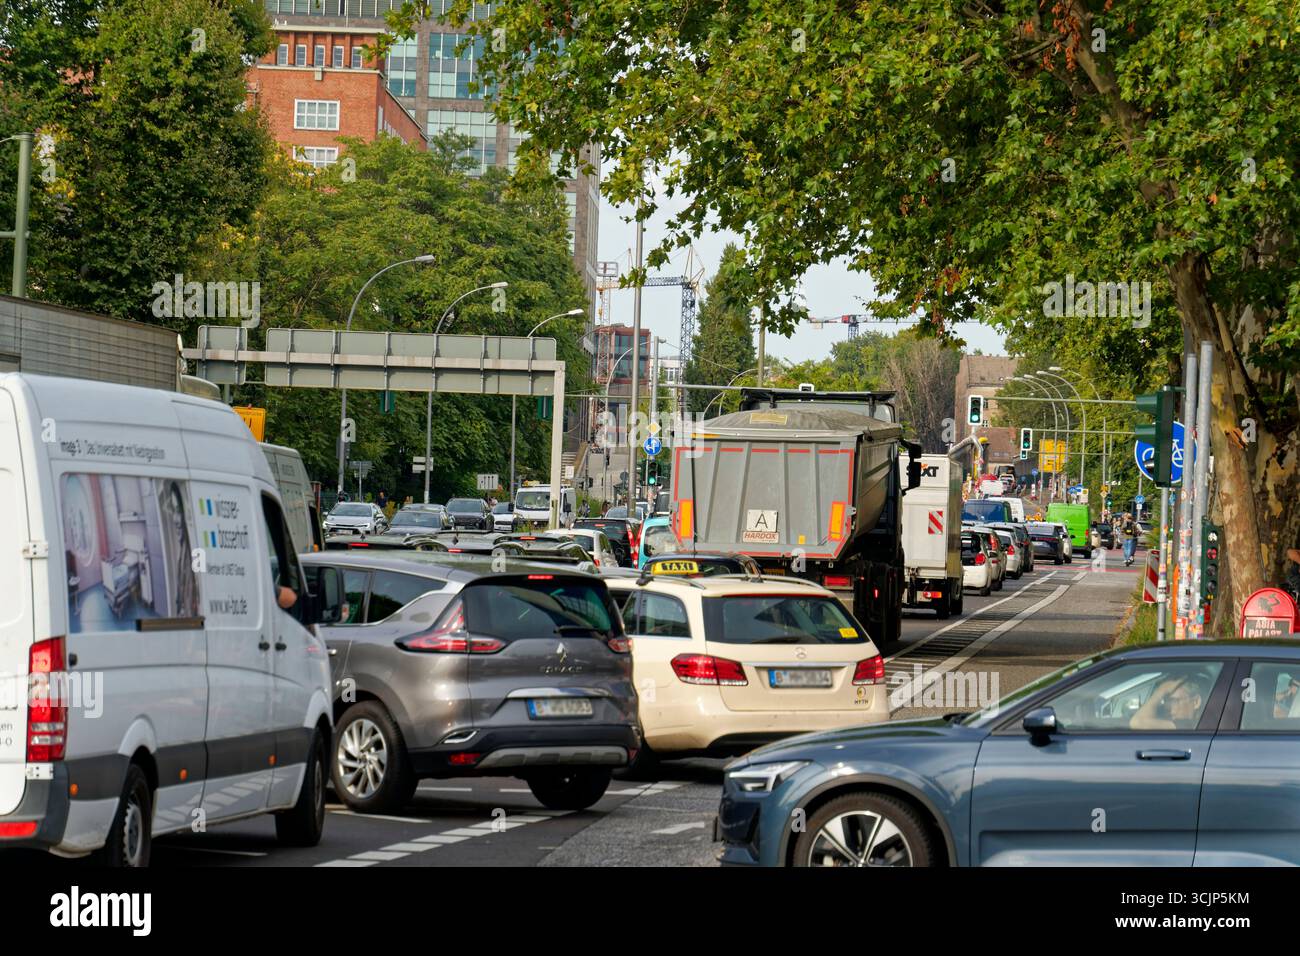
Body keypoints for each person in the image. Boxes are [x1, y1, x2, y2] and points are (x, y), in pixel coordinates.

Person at [1130, 676, 1205, 730]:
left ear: (1196, 702)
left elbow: (1137, 722)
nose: (1167, 708)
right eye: (1165, 701)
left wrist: (1161, 691)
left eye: (1174, 701)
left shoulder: (1189, 725)